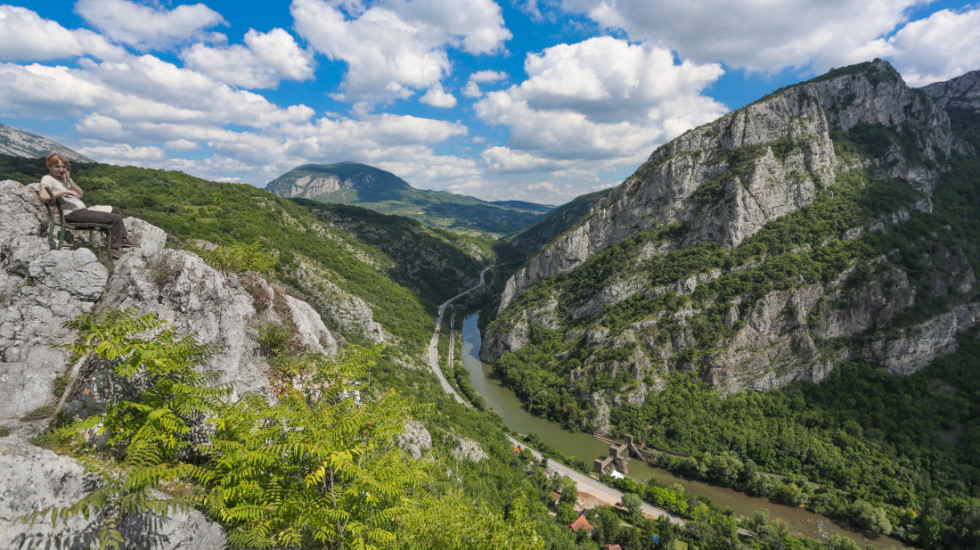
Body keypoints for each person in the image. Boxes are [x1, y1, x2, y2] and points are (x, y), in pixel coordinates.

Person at [37, 153, 135, 259]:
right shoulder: (47, 179)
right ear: (49, 166)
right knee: (116, 219)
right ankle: (114, 249)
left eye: (63, 167)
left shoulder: (64, 179)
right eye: (57, 167)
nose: (61, 169)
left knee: (114, 210)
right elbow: (43, 197)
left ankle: (123, 239)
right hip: (72, 214)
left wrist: (69, 180)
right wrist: (64, 191)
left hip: (82, 210)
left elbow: (80, 193)